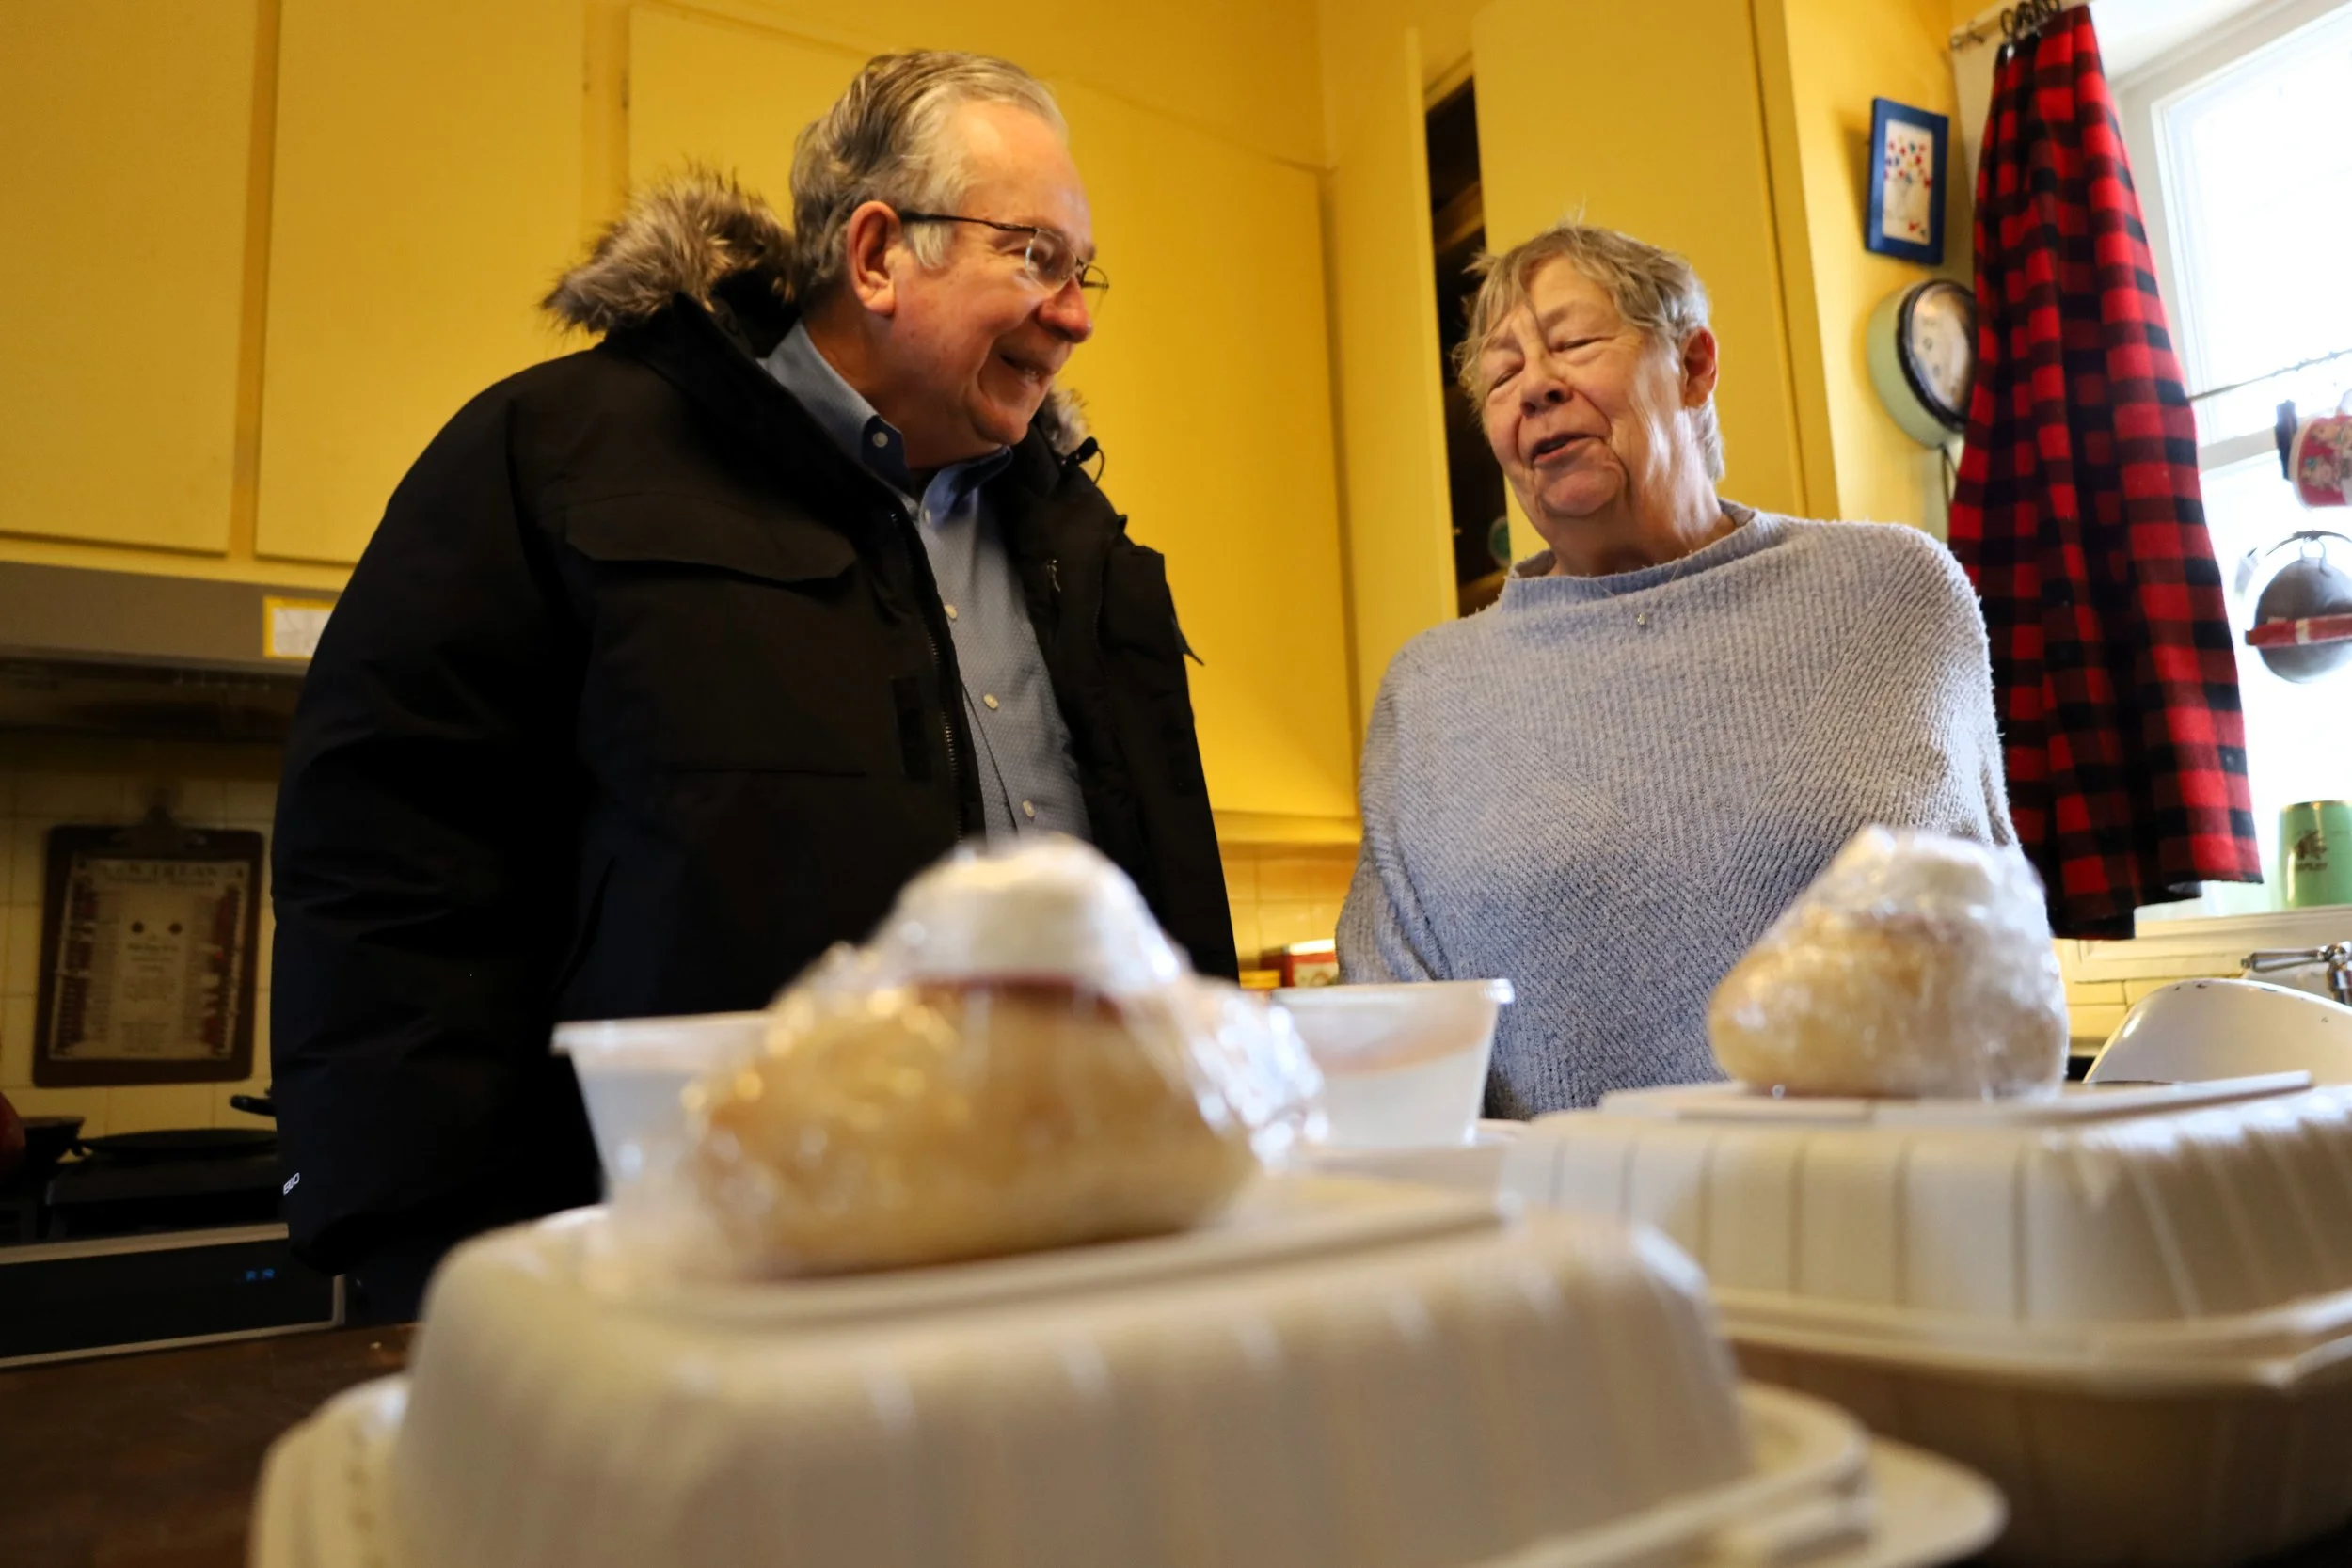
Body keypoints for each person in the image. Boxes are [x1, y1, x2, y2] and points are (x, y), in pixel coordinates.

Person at [270, 52, 1233, 1321]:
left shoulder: (1081, 534)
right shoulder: (555, 458)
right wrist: (431, 1261)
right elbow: (389, 862)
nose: (1077, 312)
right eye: (1036, 256)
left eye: (1082, 269)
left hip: (1081, 1256)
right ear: (880, 253)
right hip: (683, 1292)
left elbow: (1166, 906)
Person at [1336, 222, 2013, 1117]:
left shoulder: (1898, 595)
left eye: (1574, 342)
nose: (1535, 385)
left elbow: (1998, 943)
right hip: (1579, 1243)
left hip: (1904, 1210)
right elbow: (1390, 1050)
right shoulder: (1427, 695)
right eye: (1502, 375)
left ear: (1694, 366)